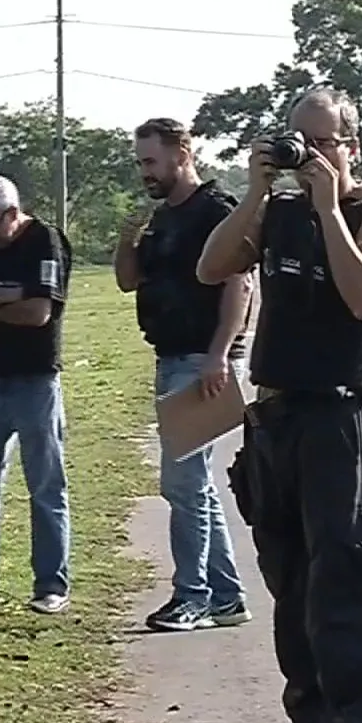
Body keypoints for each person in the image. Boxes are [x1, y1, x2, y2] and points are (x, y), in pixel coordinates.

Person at [197, 87, 362, 723]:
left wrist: (328, 209)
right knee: (291, 593)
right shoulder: (279, 209)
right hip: (275, 423)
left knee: (344, 595)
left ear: (352, 147)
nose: (308, 154)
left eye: (322, 142)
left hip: (336, 425)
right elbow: (212, 267)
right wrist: (259, 193)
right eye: (298, 140)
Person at [114, 117, 253, 632]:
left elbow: (239, 286)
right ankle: (226, 596)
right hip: (170, 357)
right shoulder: (161, 218)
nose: (144, 172)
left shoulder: (215, 211)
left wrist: (219, 354)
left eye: (150, 161)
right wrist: (128, 239)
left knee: (183, 483)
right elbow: (129, 282)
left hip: (201, 360)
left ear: (182, 154)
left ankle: (191, 596)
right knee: (194, 485)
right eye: (139, 162)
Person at [0, 174, 73, 614]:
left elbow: (38, 311)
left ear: (13, 213)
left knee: (45, 486)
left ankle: (50, 584)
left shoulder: (45, 241)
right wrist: (3, 298)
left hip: (34, 380)